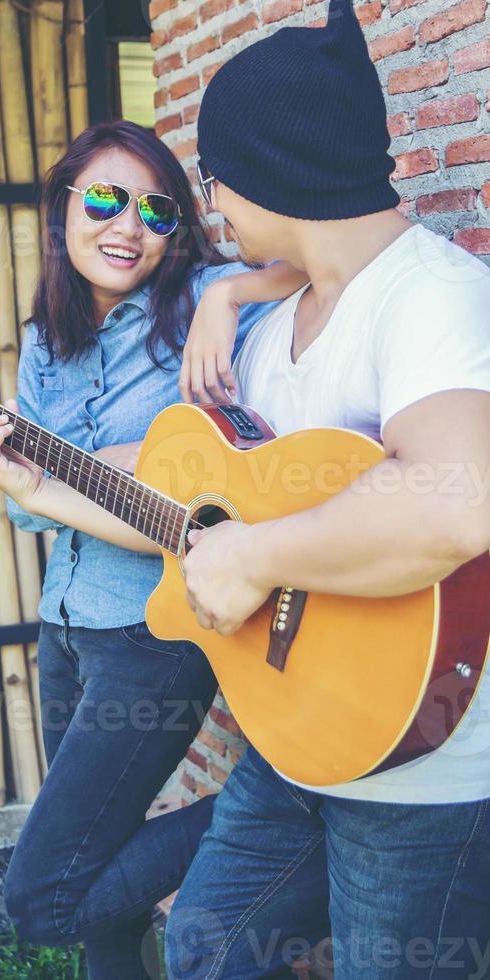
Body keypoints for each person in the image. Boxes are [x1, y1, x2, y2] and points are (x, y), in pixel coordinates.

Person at [163, 1, 490, 977]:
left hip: (422, 764)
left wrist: (252, 554)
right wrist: (38, 470)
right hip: (297, 733)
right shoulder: (271, 322)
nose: (212, 206)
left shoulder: (428, 296)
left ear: (271, 171)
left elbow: (453, 497)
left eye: (215, 178)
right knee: (208, 946)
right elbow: (210, 491)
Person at [0, 119, 307, 979]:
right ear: (63, 209)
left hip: (154, 639)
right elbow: (34, 515)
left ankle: (292, 816)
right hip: (65, 625)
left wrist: (224, 299)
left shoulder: (204, 296)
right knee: (93, 888)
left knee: (47, 897)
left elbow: (315, 259)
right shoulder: (48, 337)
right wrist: (31, 483)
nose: (127, 227)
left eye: (155, 211)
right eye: (105, 199)